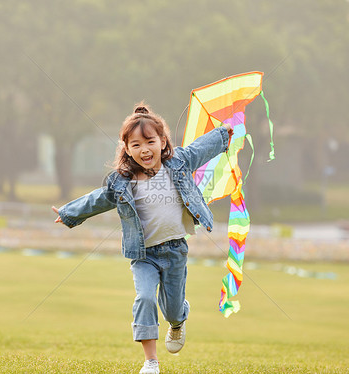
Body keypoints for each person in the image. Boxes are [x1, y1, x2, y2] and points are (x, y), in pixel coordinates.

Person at [52, 102, 233, 374]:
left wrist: (222, 135)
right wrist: (69, 213)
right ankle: (151, 362)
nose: (144, 149)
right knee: (145, 298)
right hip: (143, 255)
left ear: (162, 142)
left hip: (175, 251)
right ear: (126, 149)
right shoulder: (122, 182)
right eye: (135, 145)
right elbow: (98, 200)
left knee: (172, 310)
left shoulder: (179, 163)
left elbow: (200, 148)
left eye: (150, 141)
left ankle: (178, 318)